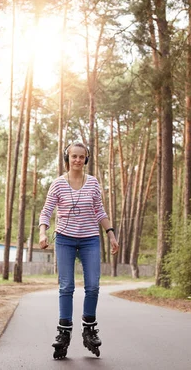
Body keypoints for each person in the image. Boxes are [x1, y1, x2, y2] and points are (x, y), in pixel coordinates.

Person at [39, 141, 119, 359]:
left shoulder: (93, 183)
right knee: (67, 286)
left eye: (81, 157)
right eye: (73, 156)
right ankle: (63, 333)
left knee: (92, 285)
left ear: (86, 159)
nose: (77, 160)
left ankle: (89, 329)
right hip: (64, 239)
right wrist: (43, 233)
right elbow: (46, 212)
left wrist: (110, 233)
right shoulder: (57, 184)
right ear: (67, 158)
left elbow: (99, 211)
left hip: (90, 239)